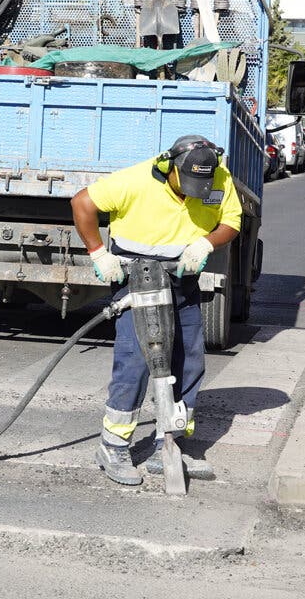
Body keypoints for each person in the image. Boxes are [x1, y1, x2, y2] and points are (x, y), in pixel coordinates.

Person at [70, 134, 241, 486]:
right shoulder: (135, 180)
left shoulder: (219, 177)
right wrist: (98, 253)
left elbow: (232, 222)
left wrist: (206, 243)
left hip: (181, 279)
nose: (195, 191)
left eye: (202, 184)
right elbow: (82, 204)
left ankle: (173, 441)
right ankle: (114, 445)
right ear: (169, 168)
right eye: (188, 184)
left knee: (188, 359)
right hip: (138, 279)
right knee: (135, 361)